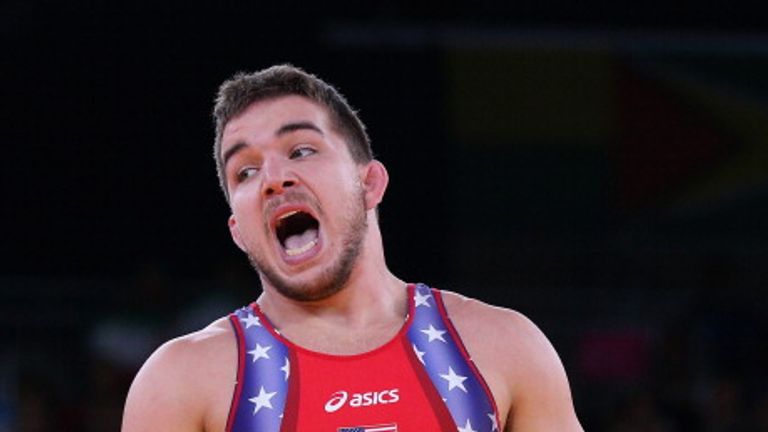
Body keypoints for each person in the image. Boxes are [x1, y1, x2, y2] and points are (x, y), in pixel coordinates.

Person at [121, 64, 584, 432]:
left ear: (370, 184)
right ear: (238, 231)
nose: (273, 179)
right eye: (244, 171)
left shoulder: (502, 346)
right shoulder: (181, 381)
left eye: (301, 150)